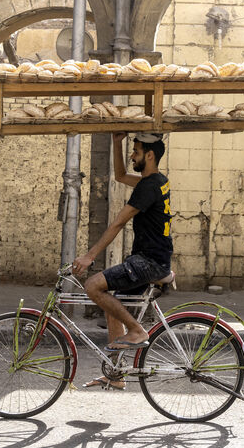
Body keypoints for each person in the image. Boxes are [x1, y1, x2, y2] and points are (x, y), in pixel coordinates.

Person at [73, 132, 173, 390]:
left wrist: (89, 255)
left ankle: (137, 331)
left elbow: (118, 223)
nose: (132, 156)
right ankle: (116, 374)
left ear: (149, 155)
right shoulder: (156, 181)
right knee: (112, 303)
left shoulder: (148, 187)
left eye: (136, 151)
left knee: (94, 286)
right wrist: (116, 143)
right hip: (153, 258)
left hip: (148, 261)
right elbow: (119, 176)